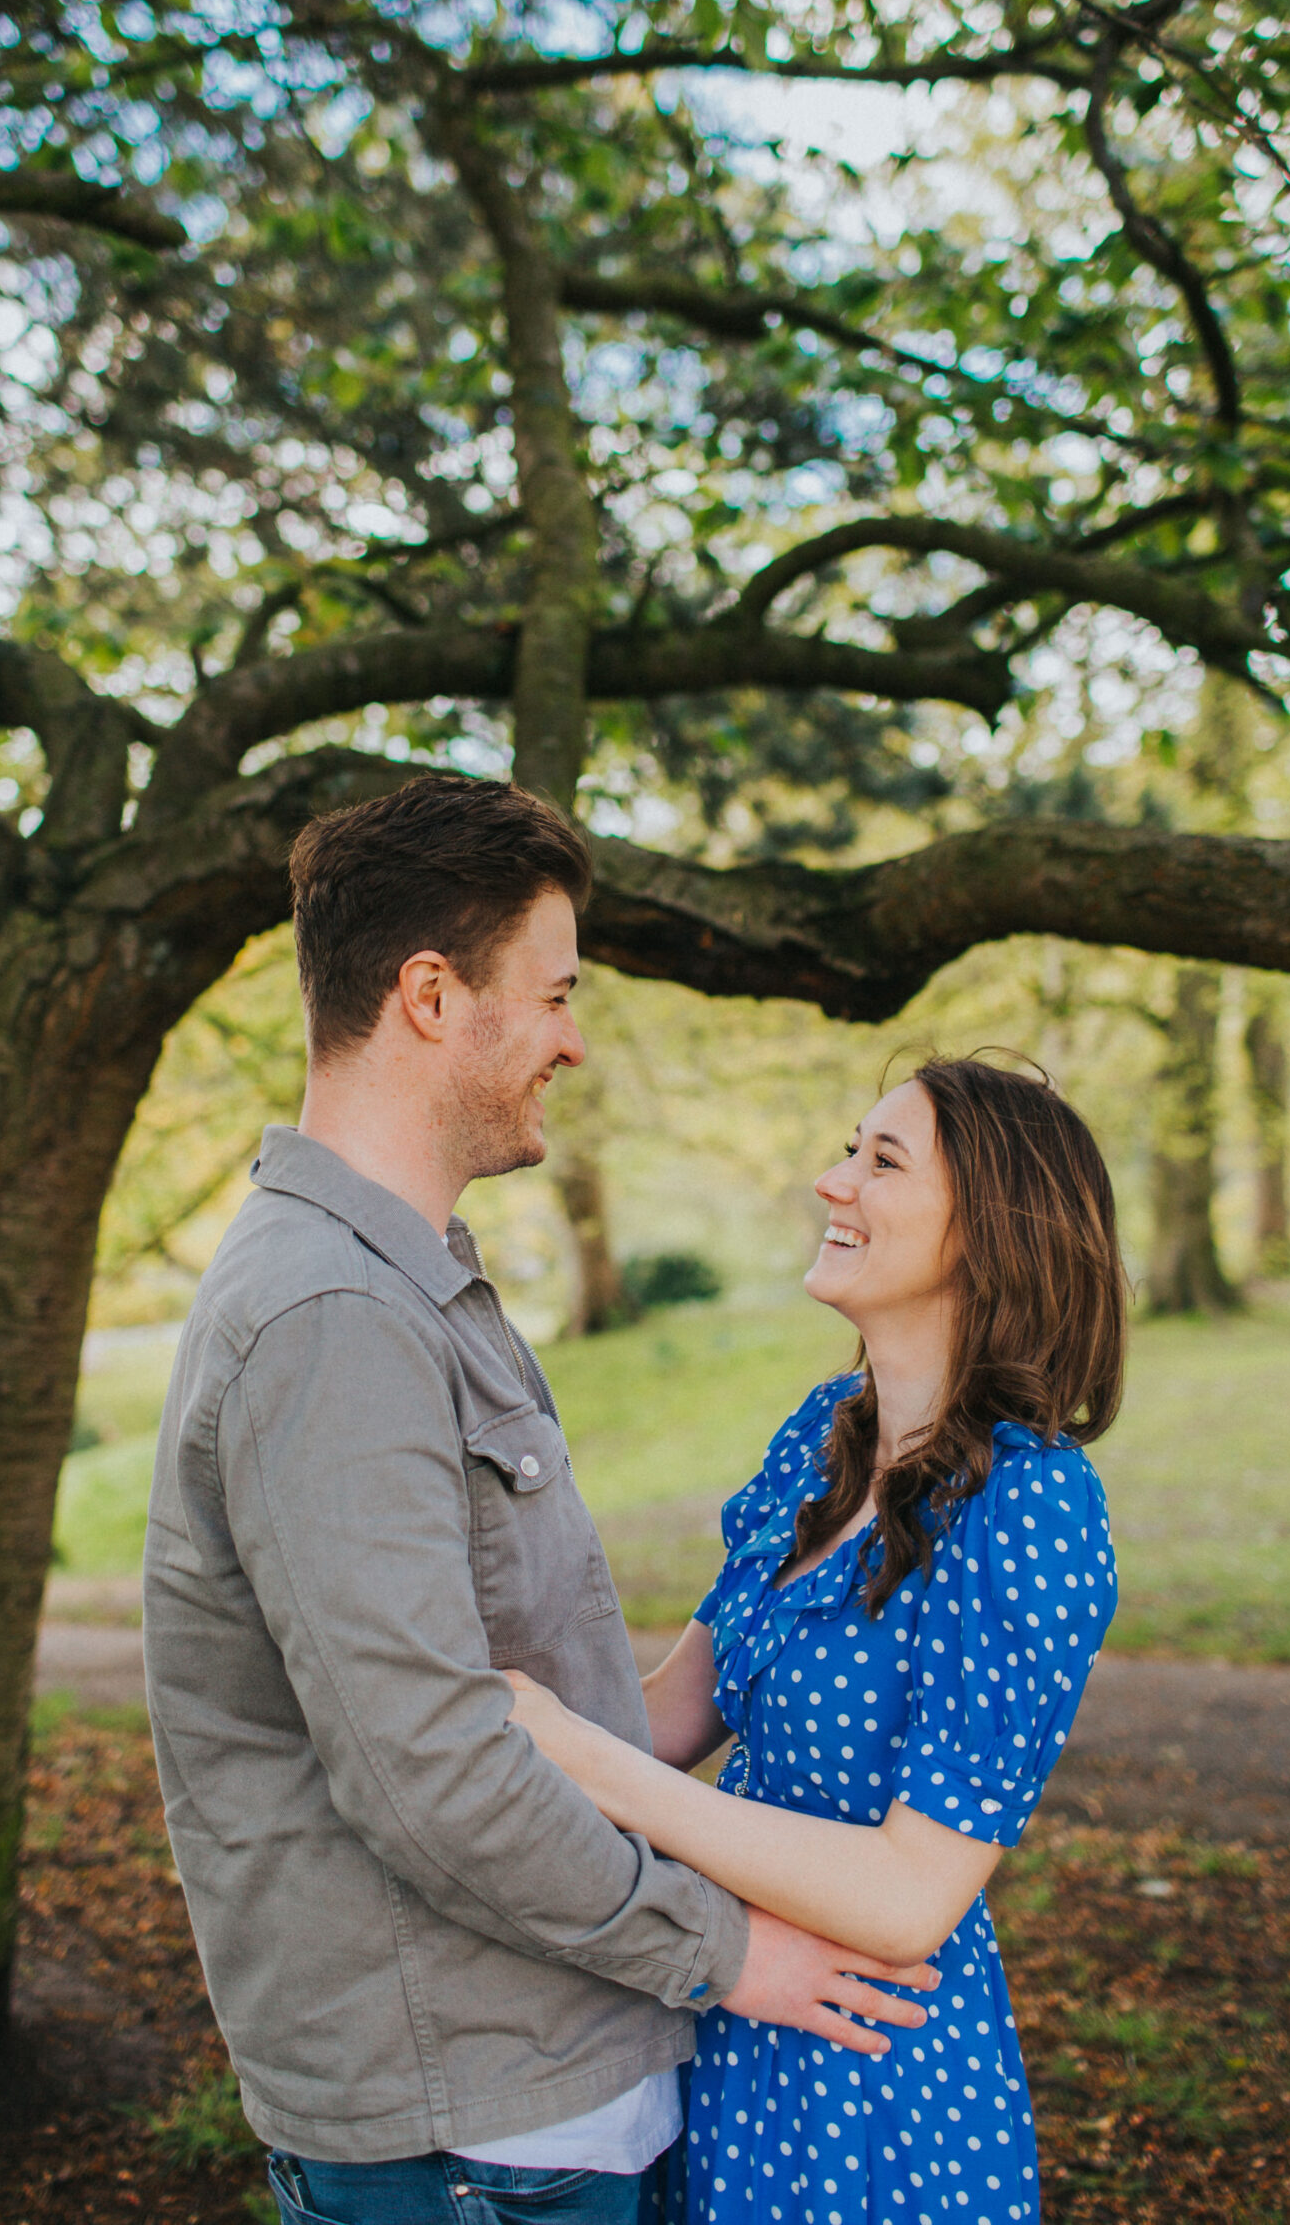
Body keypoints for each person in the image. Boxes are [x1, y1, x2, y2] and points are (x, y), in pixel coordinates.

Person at [141, 774, 935, 2225]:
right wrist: (729, 1950)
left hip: (538, 2105)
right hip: (474, 2135)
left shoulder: (410, 1285)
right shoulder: (331, 1315)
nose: (573, 1039)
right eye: (555, 994)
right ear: (431, 996)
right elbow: (430, 1769)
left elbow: (536, 1700)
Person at [506, 1055, 1126, 2225]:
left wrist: (599, 1771)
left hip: (876, 2072)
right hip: (735, 2023)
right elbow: (677, 1712)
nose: (831, 1181)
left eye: (881, 1161)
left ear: (989, 1233)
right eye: (851, 1149)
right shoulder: (821, 1438)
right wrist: (475, 1704)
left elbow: (909, 1897)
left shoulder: (1032, 1508)